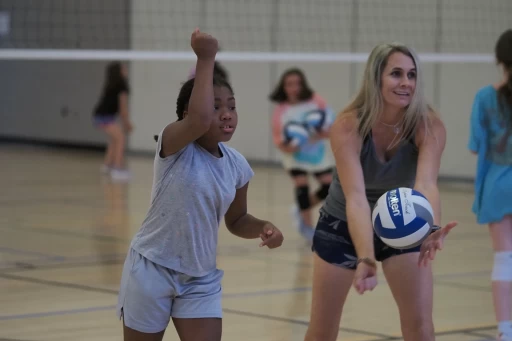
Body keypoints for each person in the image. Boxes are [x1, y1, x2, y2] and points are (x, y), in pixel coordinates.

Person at [116, 28, 284, 341]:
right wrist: (206, 57)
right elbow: (198, 120)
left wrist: (264, 227)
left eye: (231, 106)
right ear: (185, 114)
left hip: (200, 277)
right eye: (216, 106)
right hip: (151, 269)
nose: (226, 114)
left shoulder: (236, 166)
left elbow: (236, 220)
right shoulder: (173, 145)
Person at [303, 42, 458, 341]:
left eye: (412, 75)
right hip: (343, 222)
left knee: (420, 327)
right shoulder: (348, 126)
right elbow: (357, 198)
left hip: (402, 221)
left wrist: (431, 228)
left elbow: (426, 185)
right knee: (322, 330)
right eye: (396, 74)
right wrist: (365, 257)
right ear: (376, 78)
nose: (406, 83)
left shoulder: (429, 125)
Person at [468, 29, 512, 341]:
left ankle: (505, 332)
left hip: (498, 186)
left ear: (499, 59)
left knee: (504, 259)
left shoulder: (485, 97)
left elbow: (475, 146)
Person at [269, 68, 335, 242]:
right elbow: (278, 139)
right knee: (302, 186)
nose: (294, 88)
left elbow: (329, 125)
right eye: (290, 84)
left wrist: (323, 133)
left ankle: (300, 208)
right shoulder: (281, 111)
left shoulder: (316, 102)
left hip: (317, 155)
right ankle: (308, 228)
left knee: (329, 187)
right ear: (283, 87)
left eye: (297, 83)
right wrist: (288, 148)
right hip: (295, 157)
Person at [92, 61, 133, 181]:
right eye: (123, 68)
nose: (126, 69)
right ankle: (117, 169)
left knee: (114, 139)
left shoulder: (112, 85)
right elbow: (123, 109)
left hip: (100, 115)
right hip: (104, 116)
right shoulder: (122, 86)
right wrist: (126, 123)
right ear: (118, 72)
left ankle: (107, 166)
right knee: (120, 138)